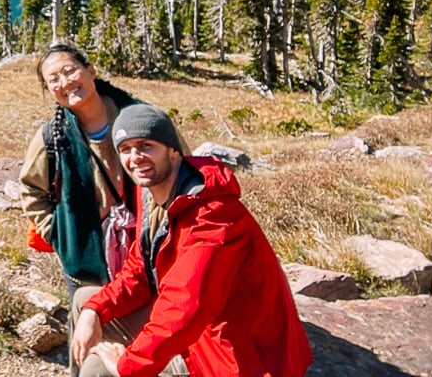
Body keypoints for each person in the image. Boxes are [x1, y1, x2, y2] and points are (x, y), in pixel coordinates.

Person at [70, 104, 312, 377]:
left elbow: (185, 307)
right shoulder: (152, 193)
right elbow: (139, 269)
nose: (135, 157)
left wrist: (127, 365)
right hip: (197, 334)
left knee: (99, 370)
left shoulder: (212, 214)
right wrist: (95, 310)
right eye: (125, 149)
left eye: (145, 145)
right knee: (85, 299)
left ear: (173, 151)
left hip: (232, 358)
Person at [20, 40, 143, 293]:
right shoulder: (51, 136)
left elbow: (178, 164)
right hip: (87, 263)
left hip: (145, 249)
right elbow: (31, 191)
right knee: (89, 328)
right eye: (53, 79)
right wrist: (62, 236)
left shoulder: (139, 118)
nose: (64, 83)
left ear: (91, 71)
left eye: (69, 71)